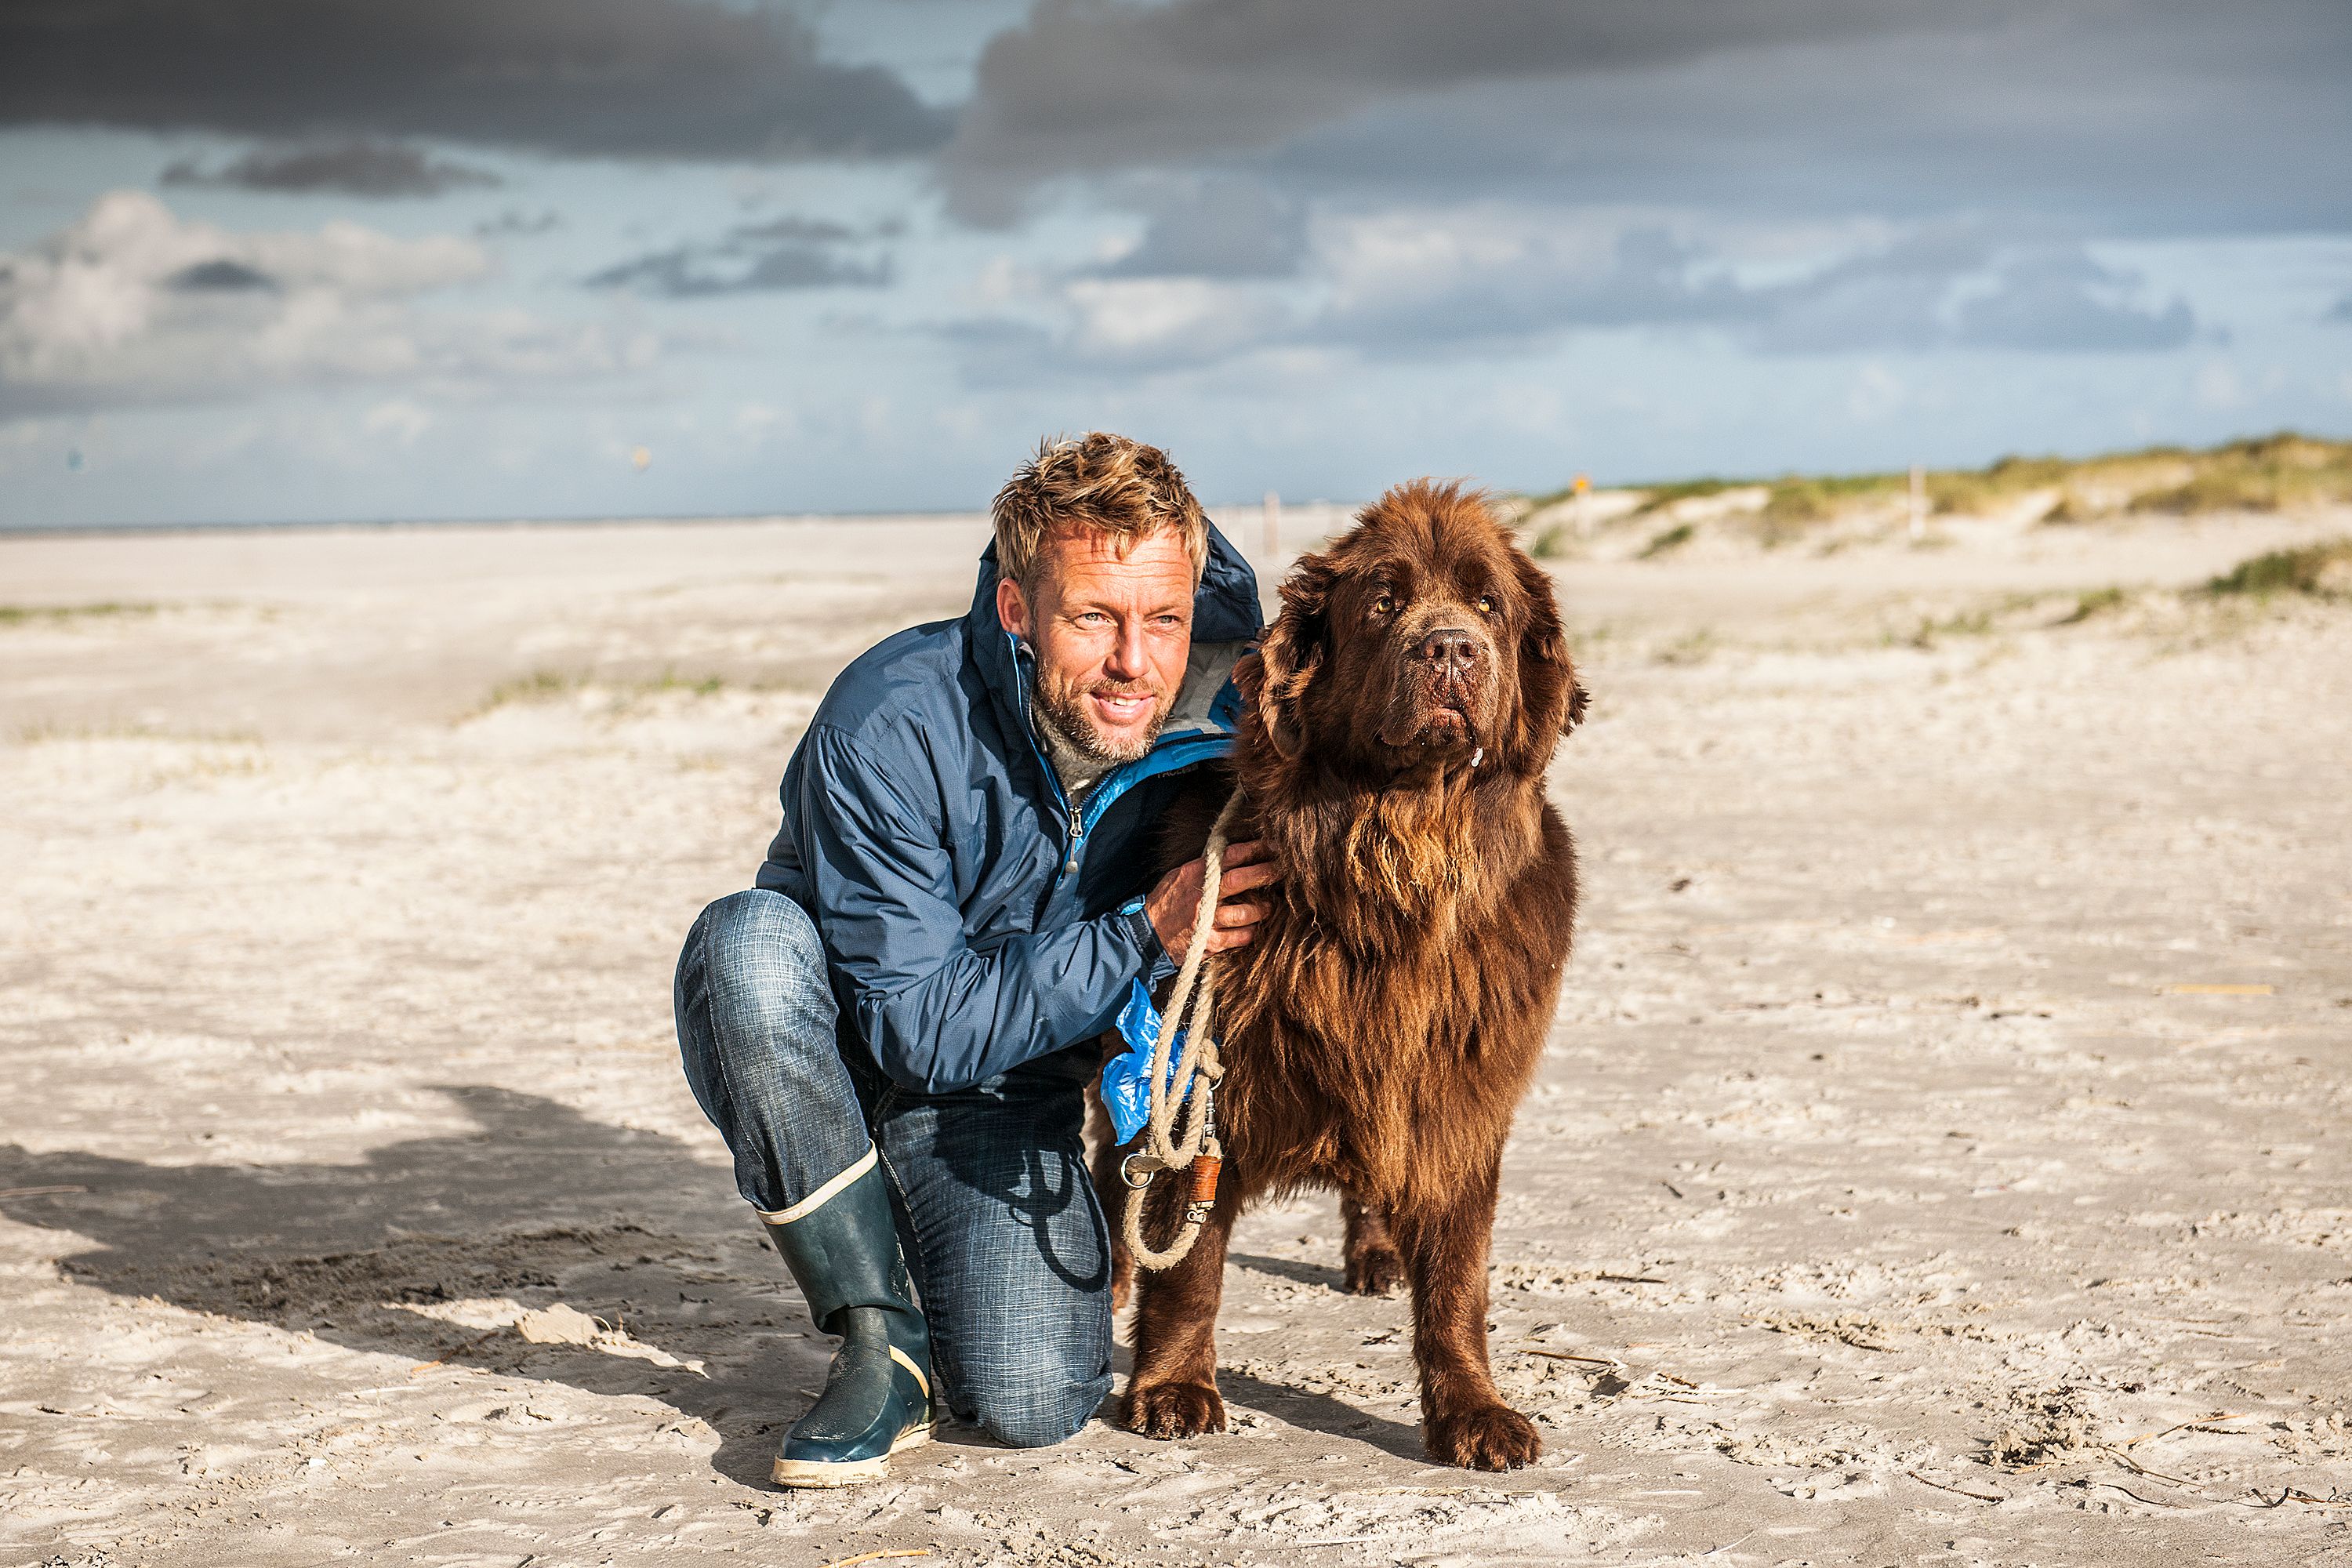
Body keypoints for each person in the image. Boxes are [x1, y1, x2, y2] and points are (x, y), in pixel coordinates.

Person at [673, 433, 1280, 1487]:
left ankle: (915, 1240)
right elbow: (922, 1027)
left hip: (1009, 1096)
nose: (1135, 664)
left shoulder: (1228, 731)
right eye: (1093, 618)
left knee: (1033, 1404)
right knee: (750, 948)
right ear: (1016, 611)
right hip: (857, 1063)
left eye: (1164, 621)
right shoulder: (891, 718)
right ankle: (877, 1332)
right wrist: (1144, 930)